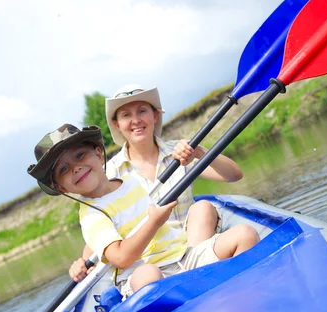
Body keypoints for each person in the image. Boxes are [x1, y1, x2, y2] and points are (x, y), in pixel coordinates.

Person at [27, 124, 259, 298]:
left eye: (80, 156)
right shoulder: (91, 215)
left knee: (245, 234)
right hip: (143, 275)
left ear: (98, 154)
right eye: (64, 169)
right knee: (148, 274)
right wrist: (153, 223)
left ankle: (236, 292)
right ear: (60, 187)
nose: (76, 168)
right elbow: (120, 257)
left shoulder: (130, 181)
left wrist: (194, 153)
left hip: (183, 258)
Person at [70, 84, 245, 282]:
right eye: (126, 115)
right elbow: (100, 228)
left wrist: (199, 152)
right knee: (147, 271)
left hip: (192, 245)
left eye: (142, 111)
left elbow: (234, 175)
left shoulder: (180, 152)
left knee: (203, 208)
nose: (136, 120)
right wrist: (84, 261)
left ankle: (197, 275)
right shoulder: (108, 174)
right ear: (117, 124)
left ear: (155, 115)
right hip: (147, 262)